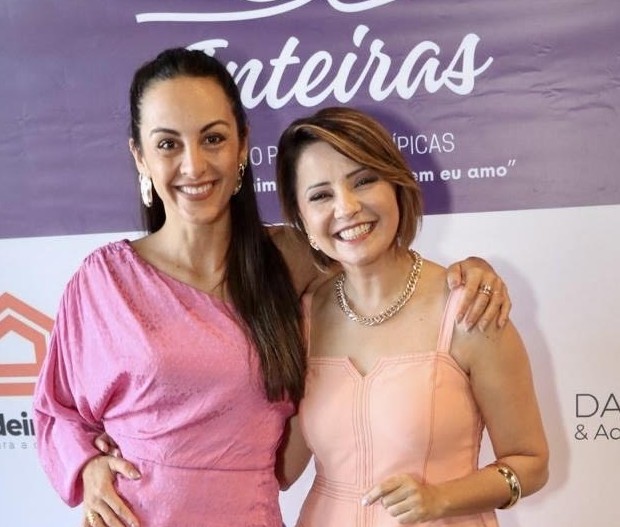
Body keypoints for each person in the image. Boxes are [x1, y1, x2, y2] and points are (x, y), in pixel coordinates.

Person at [33, 49, 512, 527]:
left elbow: (388, 271)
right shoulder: (104, 282)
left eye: (213, 139)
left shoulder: (294, 258)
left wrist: (469, 273)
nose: (194, 165)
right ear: (140, 156)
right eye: (167, 144)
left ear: (243, 145)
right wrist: (87, 465)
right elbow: (56, 410)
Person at [273, 107, 549, 526]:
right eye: (320, 196)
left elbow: (531, 463)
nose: (346, 207)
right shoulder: (303, 319)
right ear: (302, 221)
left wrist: (441, 498)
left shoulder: (469, 308)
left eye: (363, 180)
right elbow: (281, 470)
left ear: (396, 186)